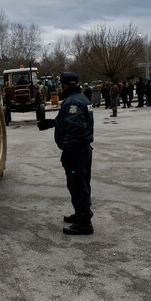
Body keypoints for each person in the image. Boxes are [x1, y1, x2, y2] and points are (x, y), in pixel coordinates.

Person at [37, 72, 94, 235]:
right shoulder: (80, 97)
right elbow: (71, 121)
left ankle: (84, 224)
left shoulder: (73, 102)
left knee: (77, 185)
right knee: (82, 184)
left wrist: (68, 149)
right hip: (83, 150)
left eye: (60, 84)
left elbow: (76, 127)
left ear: (65, 85)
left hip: (76, 151)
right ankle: (82, 213)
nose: (59, 87)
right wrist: (51, 123)